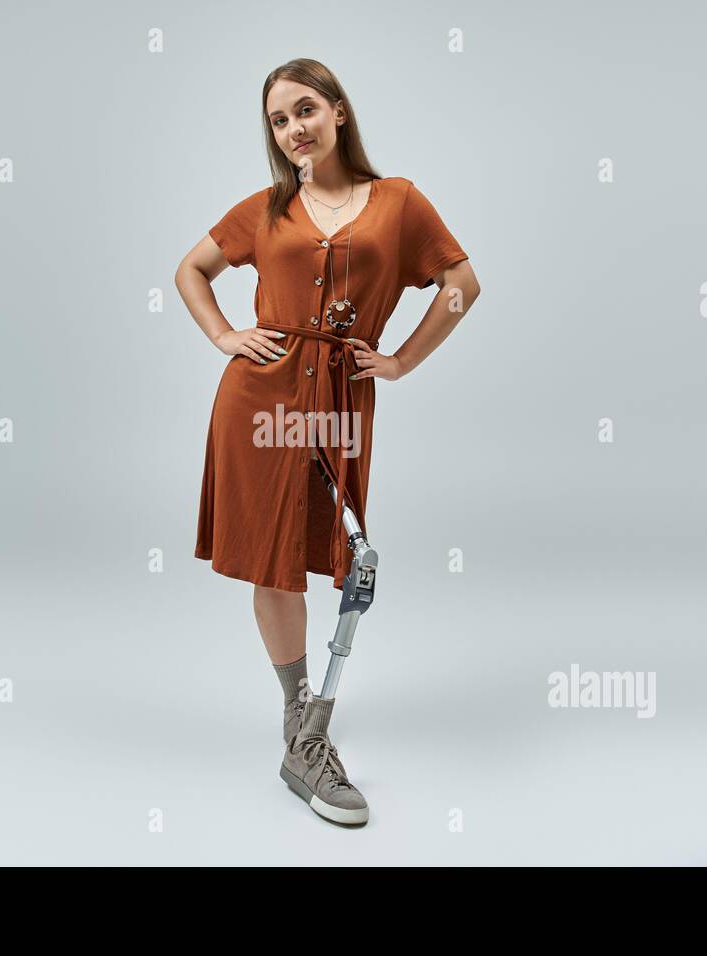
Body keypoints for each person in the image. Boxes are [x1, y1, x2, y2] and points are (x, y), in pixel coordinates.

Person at [174, 58, 481, 825]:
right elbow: (191, 270)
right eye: (279, 121)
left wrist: (403, 359)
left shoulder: (399, 202)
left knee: (344, 551)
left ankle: (308, 726)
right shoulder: (268, 208)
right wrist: (223, 336)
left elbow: (460, 285)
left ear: (339, 112)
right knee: (273, 556)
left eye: (304, 110)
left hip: (341, 395)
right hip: (260, 396)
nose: (293, 129)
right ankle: (299, 716)